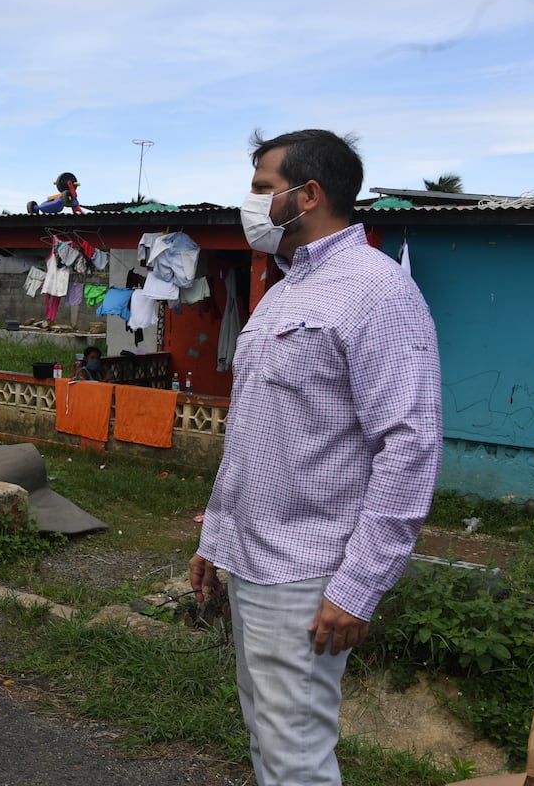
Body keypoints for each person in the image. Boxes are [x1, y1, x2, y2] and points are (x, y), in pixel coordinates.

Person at [189, 130, 442, 786]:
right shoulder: (284, 292)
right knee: (269, 739)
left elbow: (409, 445)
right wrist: (216, 537)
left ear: (309, 194)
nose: (248, 204)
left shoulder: (378, 292)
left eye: (260, 188)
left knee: (296, 758)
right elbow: (255, 428)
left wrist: (358, 587)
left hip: (307, 572)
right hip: (252, 559)